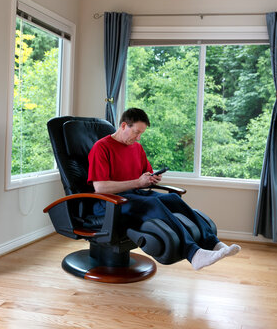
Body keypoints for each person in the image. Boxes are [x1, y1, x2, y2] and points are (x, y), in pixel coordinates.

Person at [88, 108, 240, 270]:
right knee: (153, 203)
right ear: (124, 125)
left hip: (134, 195)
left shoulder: (136, 148)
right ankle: (193, 253)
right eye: (136, 132)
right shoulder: (101, 147)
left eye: (141, 134)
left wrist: (151, 178)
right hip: (110, 202)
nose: (138, 138)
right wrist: (137, 183)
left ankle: (213, 243)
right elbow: (100, 187)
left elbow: (143, 176)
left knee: (172, 199)